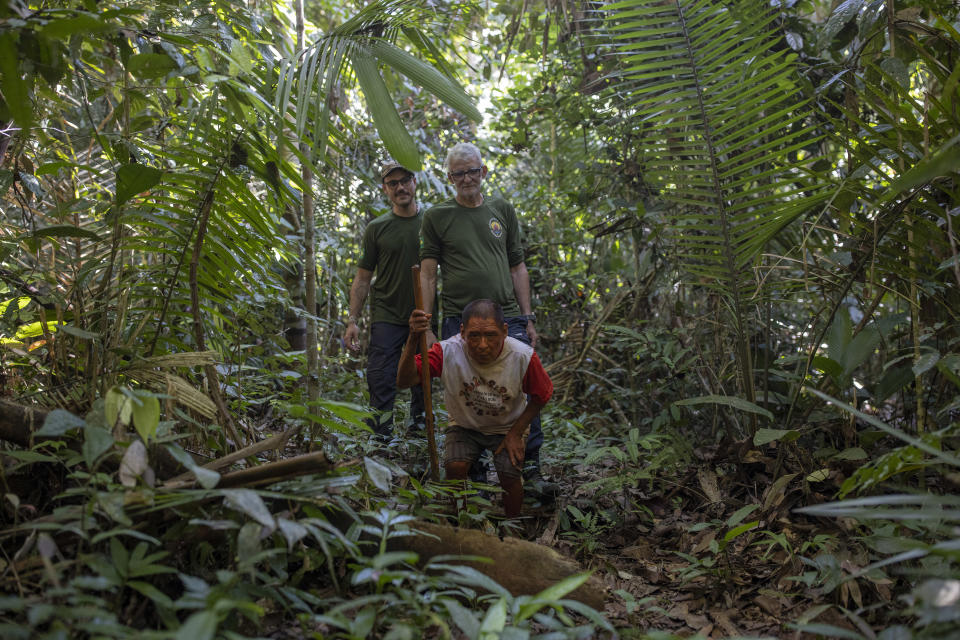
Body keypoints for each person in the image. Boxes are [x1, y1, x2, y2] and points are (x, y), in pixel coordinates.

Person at [419, 142, 556, 497]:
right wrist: (429, 325)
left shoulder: (502, 210)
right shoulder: (437, 217)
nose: (467, 178)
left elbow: (517, 265)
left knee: (525, 388)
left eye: (472, 170)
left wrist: (526, 316)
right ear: (449, 177)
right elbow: (430, 273)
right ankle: (476, 477)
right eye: (459, 173)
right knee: (468, 392)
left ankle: (531, 468)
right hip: (460, 321)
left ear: (484, 172)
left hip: (505, 315)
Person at [397, 300, 553, 517]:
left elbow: (543, 394)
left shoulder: (522, 356)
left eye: (490, 335)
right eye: (473, 336)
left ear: (505, 331)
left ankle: (513, 528)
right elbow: (404, 380)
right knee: (455, 467)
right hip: (464, 425)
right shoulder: (447, 351)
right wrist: (413, 336)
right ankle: (460, 521)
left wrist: (517, 433)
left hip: (507, 427)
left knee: (509, 474)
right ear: (462, 332)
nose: (482, 345)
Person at [343, 161, 425, 438]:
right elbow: (363, 277)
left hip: (424, 315)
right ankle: (380, 442)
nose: (400, 187)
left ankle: (419, 437)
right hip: (387, 315)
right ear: (385, 189)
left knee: (423, 378)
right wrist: (352, 320)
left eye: (405, 180)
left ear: (415, 182)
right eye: (393, 183)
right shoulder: (377, 228)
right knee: (380, 377)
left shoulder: (432, 223)